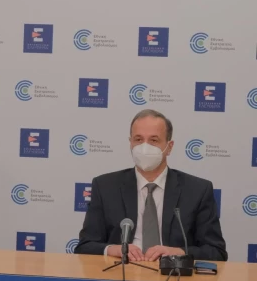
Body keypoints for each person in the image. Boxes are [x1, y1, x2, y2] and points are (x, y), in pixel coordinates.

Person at [76, 109, 226, 261]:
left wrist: (178, 252)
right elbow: (85, 246)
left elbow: (216, 251)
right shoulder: (105, 187)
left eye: (154, 140)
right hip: (123, 270)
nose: (144, 147)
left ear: (169, 147)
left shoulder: (197, 190)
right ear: (130, 143)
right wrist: (113, 249)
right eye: (138, 139)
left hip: (172, 271)